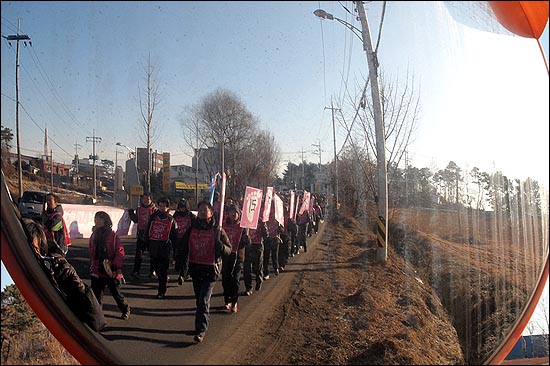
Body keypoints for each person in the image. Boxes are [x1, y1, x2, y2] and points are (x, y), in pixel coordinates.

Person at [22, 217, 107, 332]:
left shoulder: (56, 269)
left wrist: (77, 286)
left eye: (35, 250)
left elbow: (97, 322)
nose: (33, 256)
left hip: (103, 269)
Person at [180, 200, 231, 343]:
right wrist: (180, 262)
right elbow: (184, 246)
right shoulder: (192, 228)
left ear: (211, 212)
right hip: (196, 269)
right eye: (200, 210)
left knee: (203, 300)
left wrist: (220, 246)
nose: (202, 212)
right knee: (199, 300)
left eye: (205, 210)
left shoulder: (218, 230)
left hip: (211, 271)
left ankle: (200, 330)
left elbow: (229, 250)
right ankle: (203, 321)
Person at [89, 211, 131, 320]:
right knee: (96, 296)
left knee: (116, 294)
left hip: (111, 270)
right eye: (95, 218)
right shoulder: (94, 235)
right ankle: (98, 317)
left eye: (99, 218)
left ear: (105, 221)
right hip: (97, 269)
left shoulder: (113, 236)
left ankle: (125, 308)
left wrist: (115, 266)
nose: (96, 221)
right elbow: (92, 252)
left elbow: (119, 252)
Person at [145, 196, 178, 299]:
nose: (162, 208)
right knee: (156, 269)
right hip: (154, 247)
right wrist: (145, 244)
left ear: (167, 208)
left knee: (163, 270)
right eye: (160, 206)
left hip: (165, 249)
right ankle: (162, 280)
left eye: (164, 206)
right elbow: (147, 231)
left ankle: (161, 291)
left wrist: (175, 253)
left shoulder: (171, 220)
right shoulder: (153, 217)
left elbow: (175, 237)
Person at [221, 204, 249, 313]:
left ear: (239, 214)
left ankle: (234, 302)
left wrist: (246, 239)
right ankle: (227, 299)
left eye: (235, 212)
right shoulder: (223, 225)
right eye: (231, 212)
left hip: (238, 256)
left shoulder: (243, 226)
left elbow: (247, 243)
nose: (233, 214)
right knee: (225, 279)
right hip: (227, 256)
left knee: (235, 280)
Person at [129, 192, 156, 279]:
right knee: (138, 254)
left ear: (151, 200)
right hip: (141, 234)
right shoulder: (139, 209)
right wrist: (131, 214)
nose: (145, 201)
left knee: (153, 255)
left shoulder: (155, 210)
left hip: (152, 235)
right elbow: (136, 220)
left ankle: (153, 271)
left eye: (147, 199)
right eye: (144, 199)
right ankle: (136, 271)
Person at [243, 217, 266, 296]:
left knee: (257, 267)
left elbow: (266, 235)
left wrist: (263, 225)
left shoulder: (260, 221)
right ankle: (248, 288)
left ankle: (259, 280)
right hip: (247, 247)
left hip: (257, 246)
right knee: (246, 269)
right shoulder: (244, 221)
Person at [173, 198, 196, 278]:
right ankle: (180, 270)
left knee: (186, 257)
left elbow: (194, 227)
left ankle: (183, 274)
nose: (182, 208)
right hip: (177, 238)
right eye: (180, 207)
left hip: (187, 239)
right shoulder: (176, 215)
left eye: (183, 207)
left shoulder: (191, 216)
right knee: (178, 256)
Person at [263, 205, 282, 279]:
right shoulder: (265, 220)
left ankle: (275, 268)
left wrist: (280, 229)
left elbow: (282, 229)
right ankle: (266, 273)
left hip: (275, 239)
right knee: (266, 257)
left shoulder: (278, 220)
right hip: (267, 240)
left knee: (274, 256)